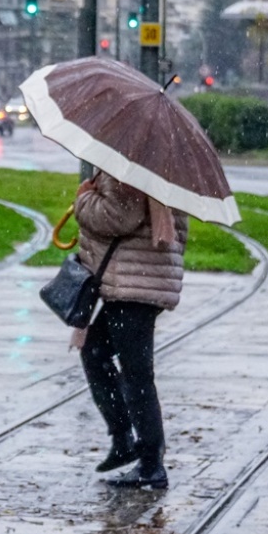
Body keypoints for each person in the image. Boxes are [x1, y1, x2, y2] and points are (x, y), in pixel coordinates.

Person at [71, 169, 188, 489]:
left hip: (135, 282)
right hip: (142, 277)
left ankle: (150, 462)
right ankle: (124, 439)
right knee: (94, 351)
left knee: (136, 373)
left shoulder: (129, 169)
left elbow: (118, 217)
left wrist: (83, 199)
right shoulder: (161, 169)